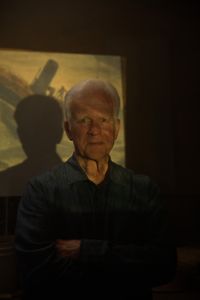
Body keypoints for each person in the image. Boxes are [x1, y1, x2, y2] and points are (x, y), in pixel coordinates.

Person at [15, 79, 177, 300]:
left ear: (117, 127)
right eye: (84, 120)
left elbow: (164, 265)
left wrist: (87, 250)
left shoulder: (143, 190)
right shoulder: (41, 191)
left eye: (103, 119)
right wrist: (127, 267)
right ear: (68, 129)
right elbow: (35, 276)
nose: (95, 131)